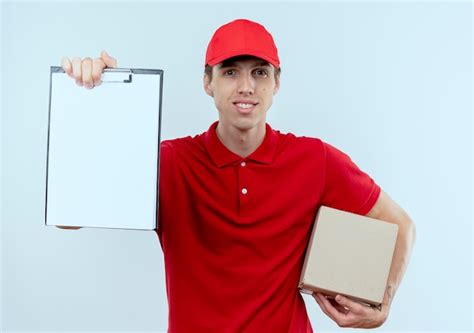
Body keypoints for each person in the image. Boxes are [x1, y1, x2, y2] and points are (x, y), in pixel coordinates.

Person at [59, 19, 416, 332]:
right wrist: (93, 99)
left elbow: (400, 224)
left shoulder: (315, 160)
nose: (246, 86)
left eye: (259, 72)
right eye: (230, 71)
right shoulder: (168, 163)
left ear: (276, 83)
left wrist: (384, 303)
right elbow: (68, 216)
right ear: (207, 82)